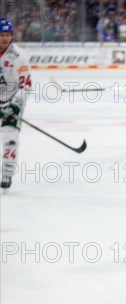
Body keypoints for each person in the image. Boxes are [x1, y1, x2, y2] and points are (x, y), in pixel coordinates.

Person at [0, 18, 32, 190]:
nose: (4, 38)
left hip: (12, 102)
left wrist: (15, 105)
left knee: (10, 138)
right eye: (1, 35)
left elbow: (26, 85)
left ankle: (7, 173)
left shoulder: (18, 56)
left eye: (7, 35)